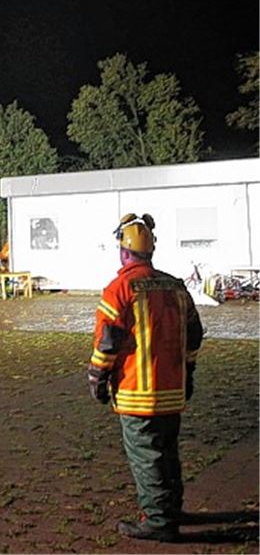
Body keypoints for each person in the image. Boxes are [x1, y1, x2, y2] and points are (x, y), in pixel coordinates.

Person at [87, 213, 203, 542]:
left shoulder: (120, 289)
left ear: (124, 252)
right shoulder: (176, 286)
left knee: (146, 456)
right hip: (172, 390)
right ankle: (171, 508)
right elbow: (194, 333)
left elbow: (107, 342)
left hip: (136, 393)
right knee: (167, 451)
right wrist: (188, 371)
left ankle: (157, 520)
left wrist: (97, 377)